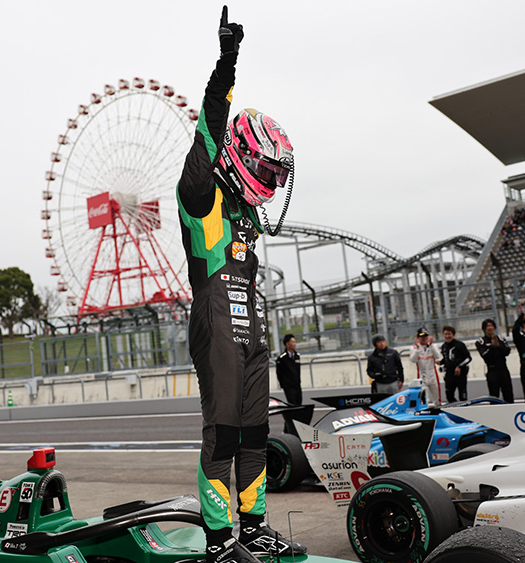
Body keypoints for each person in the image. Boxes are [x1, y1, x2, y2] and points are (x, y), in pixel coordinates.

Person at [176, 9, 304, 562]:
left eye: (278, 175)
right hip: (215, 326)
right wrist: (226, 63)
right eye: (268, 171)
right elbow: (208, 127)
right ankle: (218, 540)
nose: (272, 183)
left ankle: (252, 528)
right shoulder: (200, 195)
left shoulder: (248, 214)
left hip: (252, 330)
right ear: (242, 155)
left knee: (256, 435)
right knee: (224, 435)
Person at [476, 319, 514, 403]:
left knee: (508, 394)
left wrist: (498, 346)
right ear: (484, 329)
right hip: (492, 370)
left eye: (491, 326)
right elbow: (484, 355)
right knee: (494, 395)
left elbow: (507, 352)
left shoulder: (501, 339)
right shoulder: (481, 341)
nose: (490, 328)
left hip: (503, 369)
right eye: (487, 326)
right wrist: (492, 346)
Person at [275, 335, 301, 435]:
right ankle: (289, 430)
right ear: (287, 344)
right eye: (293, 342)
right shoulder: (282, 358)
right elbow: (279, 373)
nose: (295, 344)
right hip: (289, 387)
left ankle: (289, 429)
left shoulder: (297, 356)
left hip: (297, 385)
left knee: (298, 406)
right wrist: (283, 385)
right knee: (292, 406)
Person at [409, 328, 443, 406]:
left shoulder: (434, 346)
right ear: (418, 337)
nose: (424, 338)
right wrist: (417, 349)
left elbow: (438, 356)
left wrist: (431, 346)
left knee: (437, 399)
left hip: (432, 374)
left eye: (426, 336)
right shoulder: (414, 348)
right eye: (422, 336)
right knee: (424, 399)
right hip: (422, 375)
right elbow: (413, 360)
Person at [440, 326, 471, 402]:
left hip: (460, 374)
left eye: (449, 334)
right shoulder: (443, 346)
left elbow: (468, 358)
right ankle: (455, 407)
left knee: (463, 396)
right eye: (446, 334)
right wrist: (440, 362)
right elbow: (447, 359)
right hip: (449, 374)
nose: (447, 336)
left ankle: (463, 408)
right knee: (449, 395)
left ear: (453, 335)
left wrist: (459, 366)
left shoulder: (460, 345)